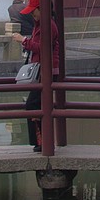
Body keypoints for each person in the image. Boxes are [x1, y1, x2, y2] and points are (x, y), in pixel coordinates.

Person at [16, 13, 62, 152]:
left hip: (45, 70)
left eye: (34, 11)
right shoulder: (40, 25)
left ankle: (42, 141)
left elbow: (43, 47)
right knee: (37, 105)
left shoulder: (48, 26)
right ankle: (41, 141)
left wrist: (23, 40)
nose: (32, 14)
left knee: (32, 104)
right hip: (41, 70)